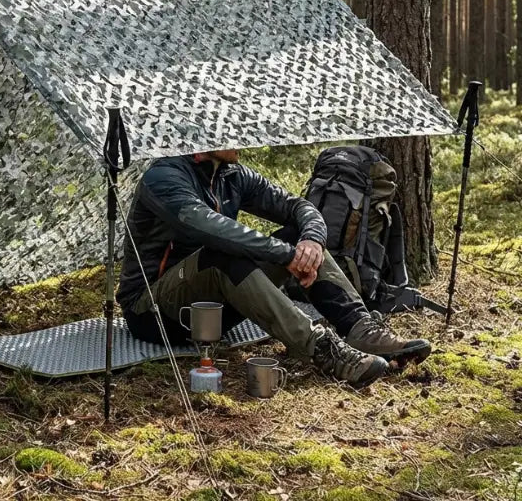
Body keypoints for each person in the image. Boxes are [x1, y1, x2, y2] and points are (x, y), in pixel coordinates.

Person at [116, 149, 432, 388]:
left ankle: (361, 330)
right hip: (153, 312)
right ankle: (322, 349)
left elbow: (298, 206)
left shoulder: (231, 175)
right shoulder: (164, 177)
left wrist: (311, 241)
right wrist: (286, 255)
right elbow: (211, 229)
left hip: (213, 314)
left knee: (297, 238)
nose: (243, 136)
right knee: (222, 254)